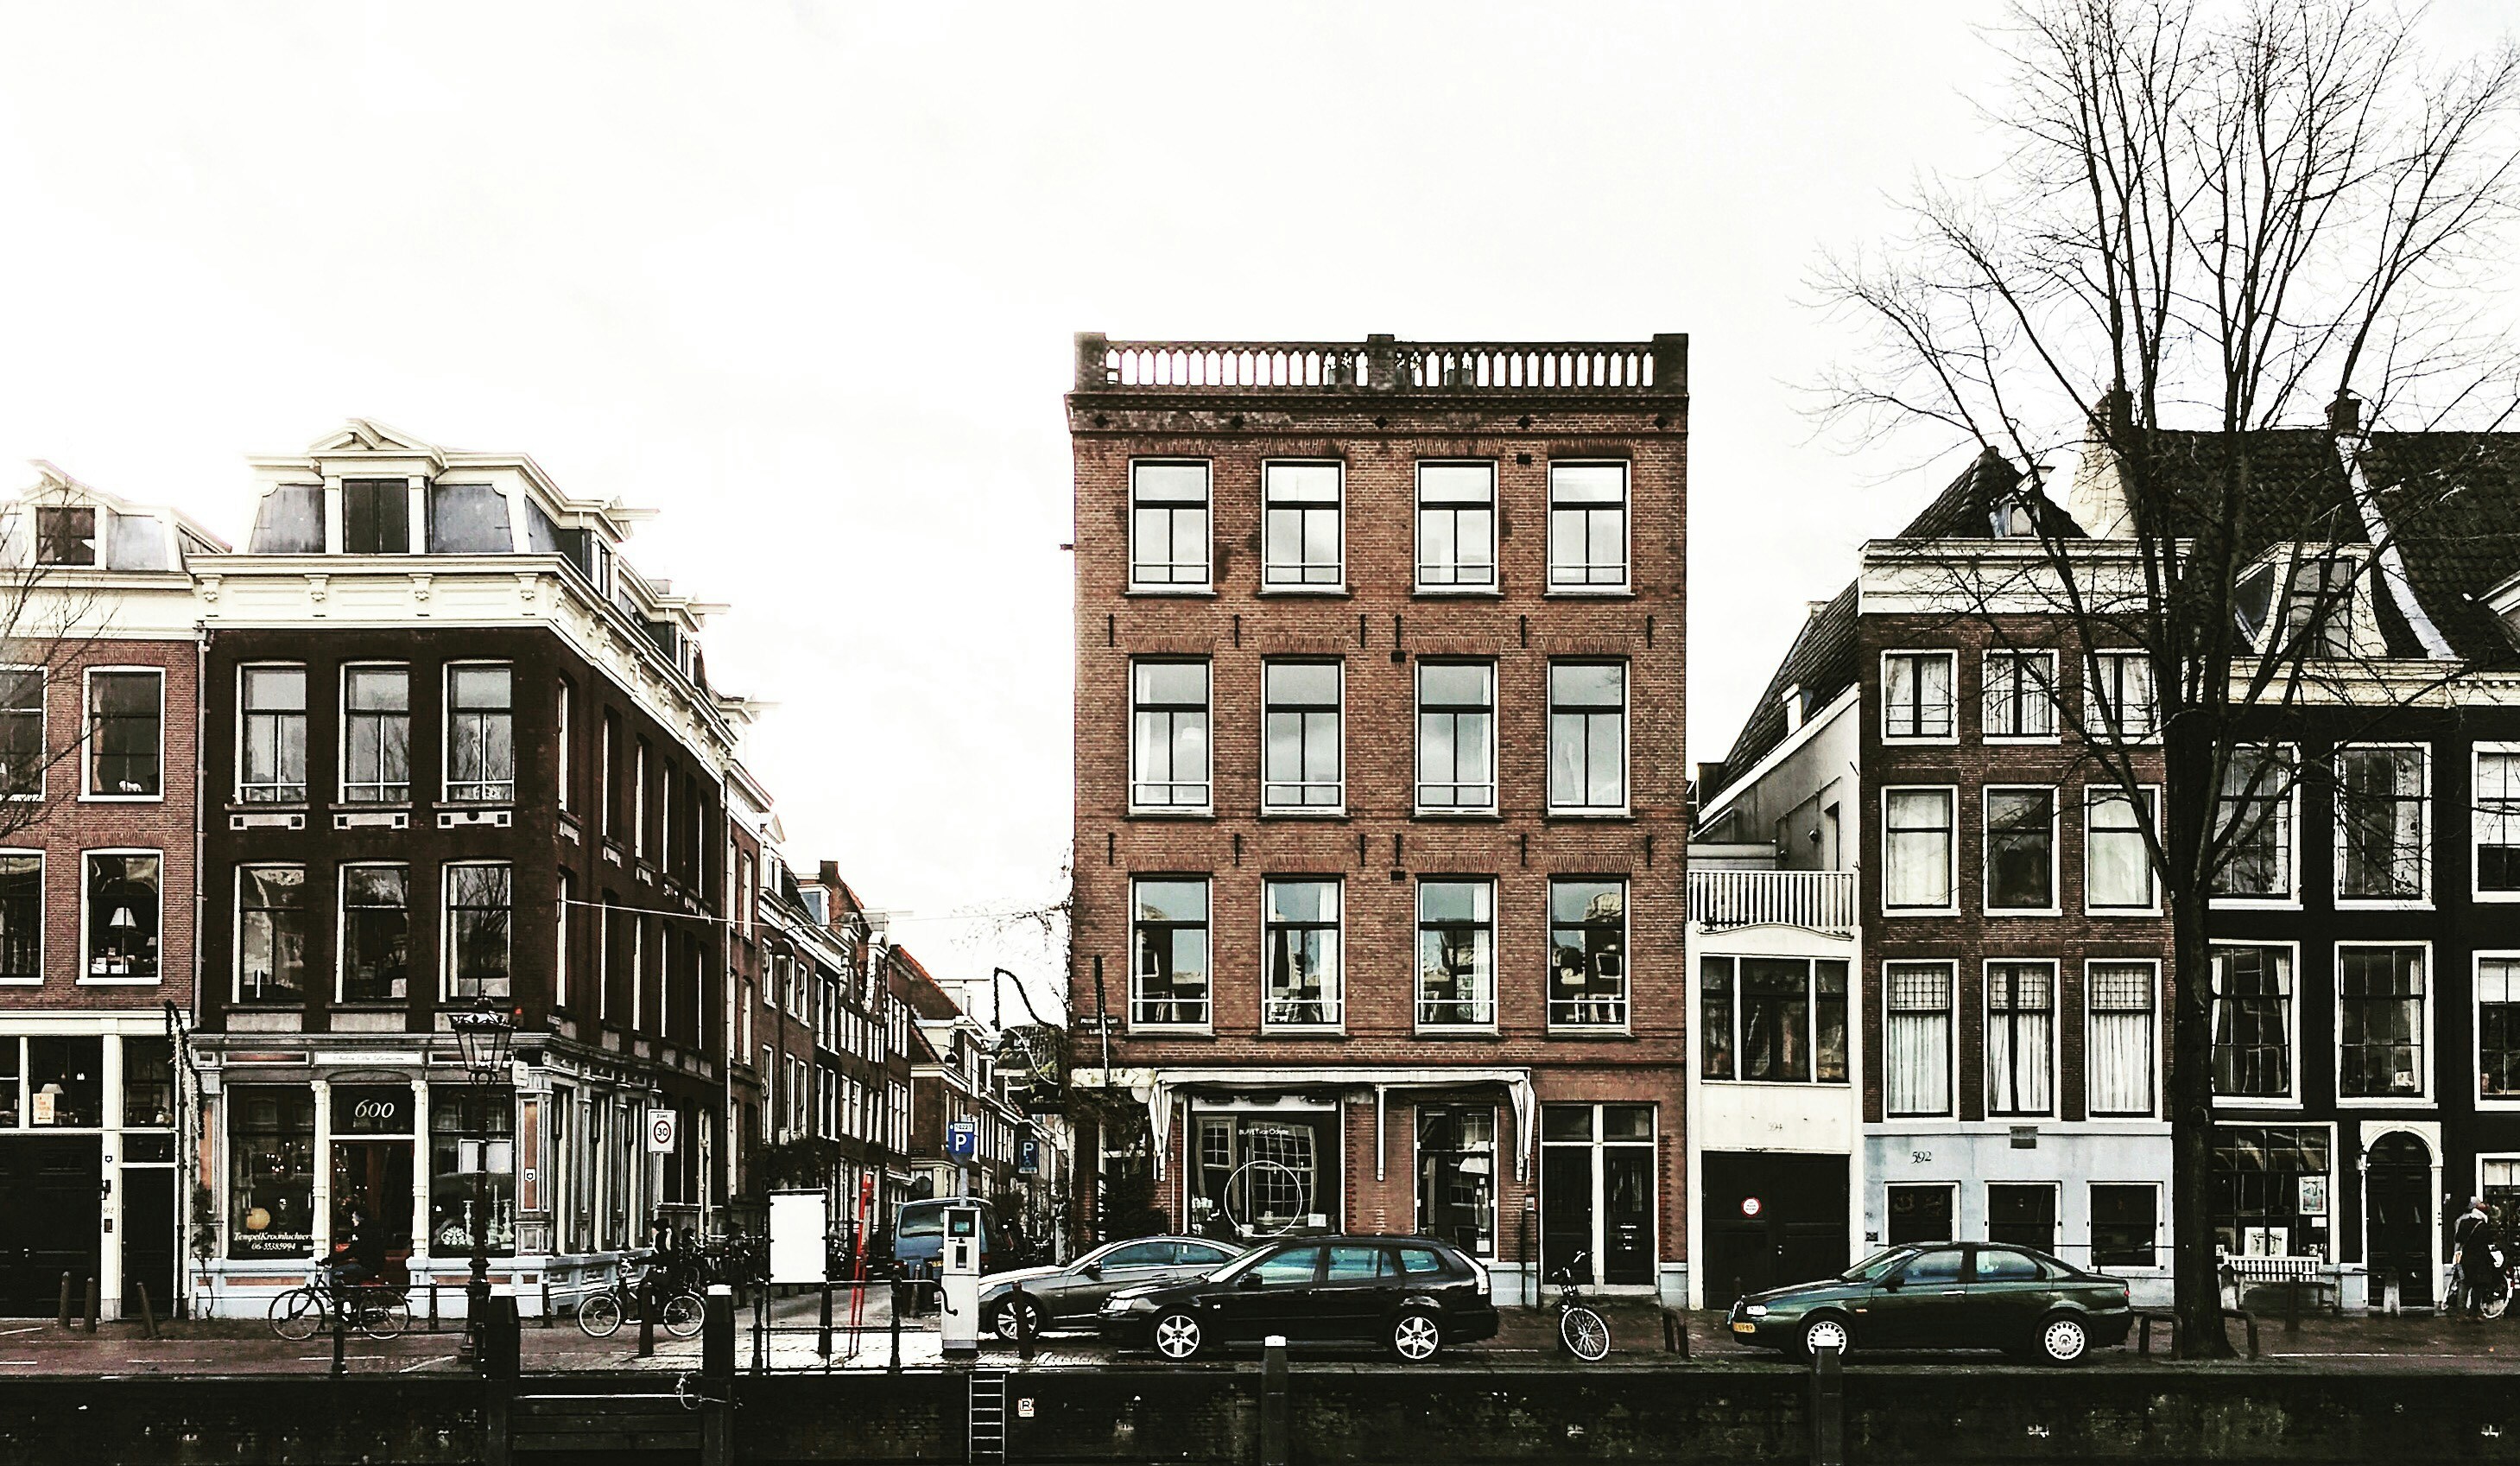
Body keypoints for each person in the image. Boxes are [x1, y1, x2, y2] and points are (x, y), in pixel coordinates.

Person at [2454, 1197, 2502, 1320]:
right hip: (2480, 1259)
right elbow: (2490, 1240)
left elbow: (2458, 1239)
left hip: (2467, 1258)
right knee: (2478, 1286)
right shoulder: (2483, 1226)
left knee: (2464, 1284)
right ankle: (2474, 1312)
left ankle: (2460, 1312)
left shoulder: (2463, 1223)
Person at [331, 1204, 384, 1292]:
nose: (352, 1220)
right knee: (354, 1285)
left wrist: (333, 1258)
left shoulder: (362, 1233)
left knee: (332, 1273)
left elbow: (353, 1250)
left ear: (359, 1219)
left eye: (354, 1218)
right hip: (374, 1265)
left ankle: (339, 1297)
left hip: (367, 1266)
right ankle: (354, 1301)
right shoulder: (371, 1230)